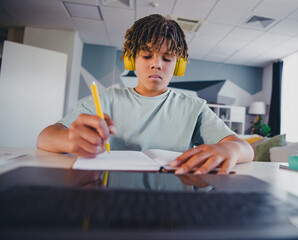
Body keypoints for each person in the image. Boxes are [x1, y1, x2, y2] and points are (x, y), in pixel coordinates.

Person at [37, 14, 254, 174]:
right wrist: (68, 139)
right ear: (131, 60)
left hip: (174, 192)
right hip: (110, 189)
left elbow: (245, 148)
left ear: (179, 66)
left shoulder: (194, 107)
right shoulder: (106, 99)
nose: (156, 65)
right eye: (147, 56)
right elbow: (45, 137)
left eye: (167, 58)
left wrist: (231, 150)